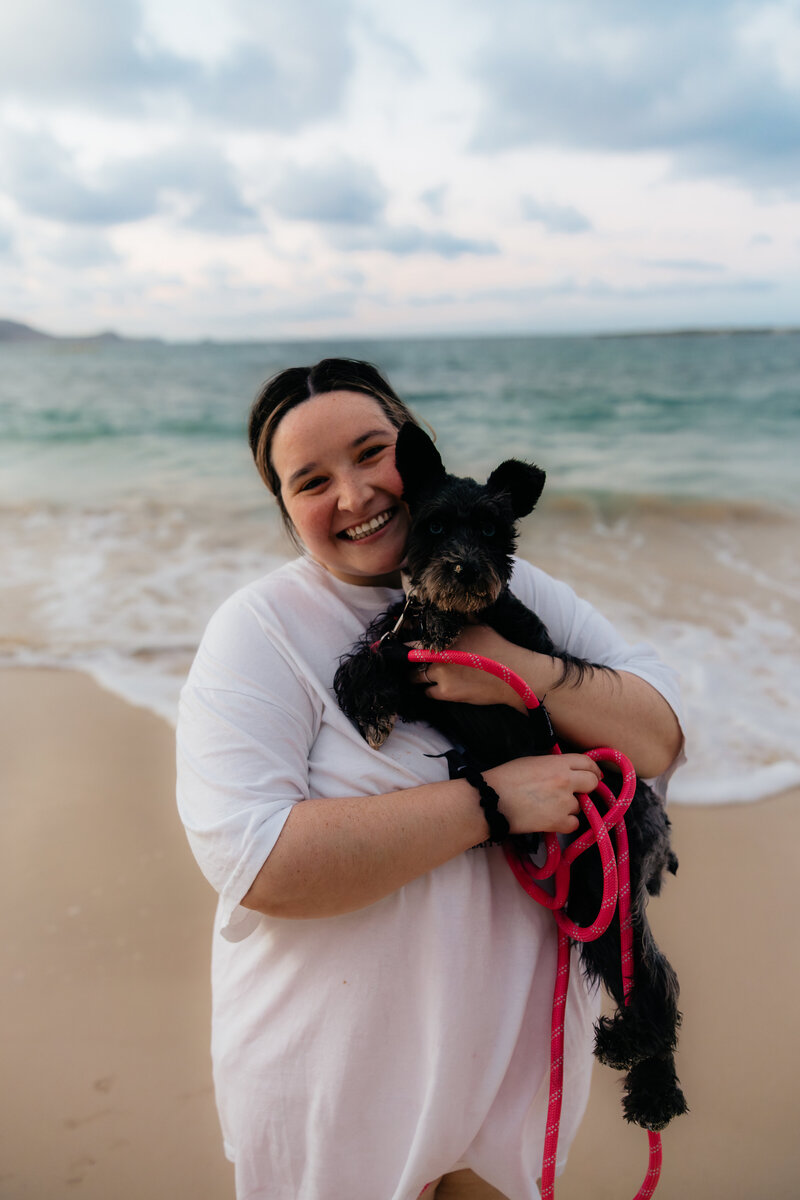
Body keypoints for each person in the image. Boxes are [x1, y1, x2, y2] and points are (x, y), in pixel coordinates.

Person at [176, 358, 684, 1200]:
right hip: (338, 1081)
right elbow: (255, 862)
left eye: (371, 452)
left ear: (416, 456)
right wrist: (491, 801)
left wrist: (513, 666)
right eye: (310, 480)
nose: (354, 493)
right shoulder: (257, 632)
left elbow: (659, 732)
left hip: (508, 1070)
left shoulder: (525, 595)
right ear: (286, 510)